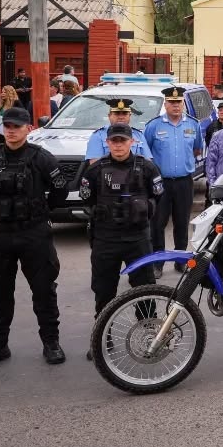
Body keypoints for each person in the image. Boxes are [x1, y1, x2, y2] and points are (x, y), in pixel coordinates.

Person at [0, 107, 67, 370]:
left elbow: (59, 191)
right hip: (0, 234)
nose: (11, 131)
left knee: (44, 290)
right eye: (7, 126)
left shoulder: (41, 158)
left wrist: (39, 211)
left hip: (33, 233)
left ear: (28, 128)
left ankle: (51, 342)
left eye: (16, 126)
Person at [79, 122, 164, 356]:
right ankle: (101, 339)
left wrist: (143, 208)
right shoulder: (95, 171)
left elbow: (158, 197)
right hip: (106, 239)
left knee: (145, 290)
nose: (118, 145)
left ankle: (150, 336)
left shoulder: (147, 168)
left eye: (122, 140)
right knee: (104, 292)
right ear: (107, 143)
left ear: (132, 141)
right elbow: (87, 201)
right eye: (114, 141)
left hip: (137, 239)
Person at [144, 86, 203, 278]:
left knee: (182, 221)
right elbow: (147, 154)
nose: (176, 106)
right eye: (172, 102)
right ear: (166, 104)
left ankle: (180, 261)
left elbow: (196, 149)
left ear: (183, 104)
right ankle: (158, 262)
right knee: (158, 222)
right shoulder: (154, 125)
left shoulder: (193, 125)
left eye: (179, 102)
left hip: (185, 182)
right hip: (160, 182)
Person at [84, 98, 152, 162]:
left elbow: (148, 161)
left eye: (125, 114)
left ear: (129, 116)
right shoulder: (98, 136)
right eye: (117, 113)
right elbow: (95, 165)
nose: (121, 117)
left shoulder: (138, 135)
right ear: (109, 116)